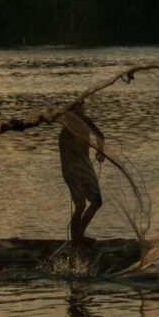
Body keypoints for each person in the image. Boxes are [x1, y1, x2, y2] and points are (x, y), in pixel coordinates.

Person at [59, 103, 106, 250]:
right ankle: (76, 239)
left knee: (97, 201)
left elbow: (100, 136)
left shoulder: (86, 122)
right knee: (80, 204)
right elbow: (67, 158)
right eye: (76, 113)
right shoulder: (65, 133)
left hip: (85, 168)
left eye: (81, 111)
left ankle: (80, 234)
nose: (80, 115)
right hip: (72, 171)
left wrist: (100, 150)